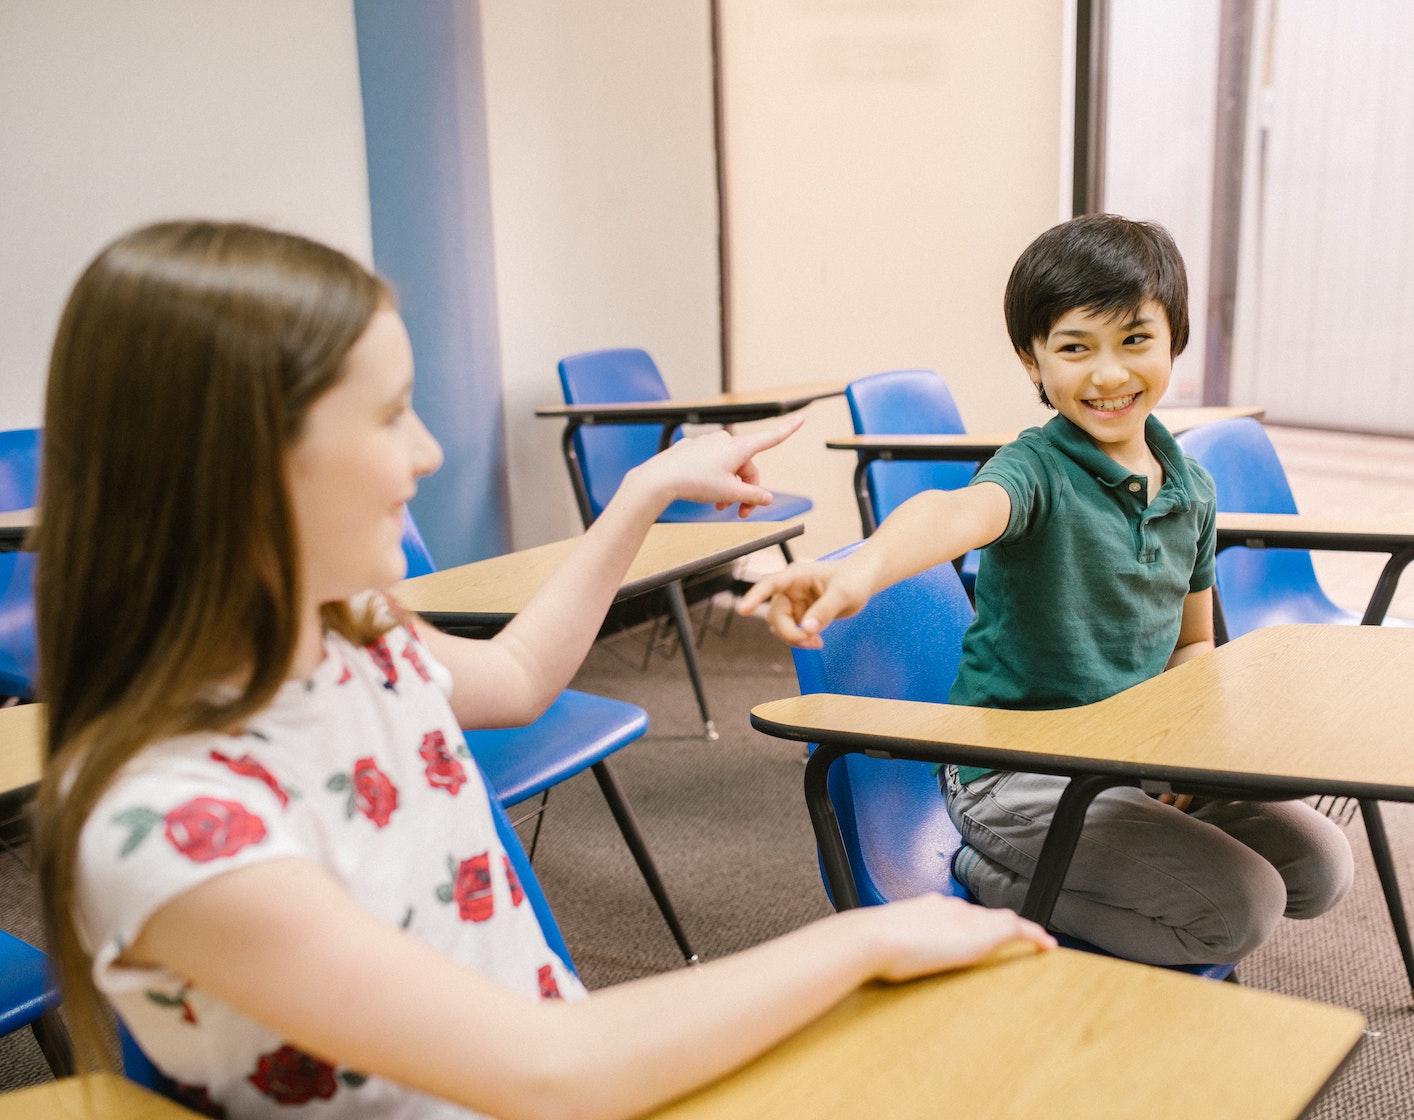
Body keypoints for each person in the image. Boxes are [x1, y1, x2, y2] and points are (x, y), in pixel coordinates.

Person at [32, 220, 1053, 1120]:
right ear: (242, 464)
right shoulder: (172, 824)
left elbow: (518, 674)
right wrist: (868, 942)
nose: (430, 453)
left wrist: (646, 489)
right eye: (389, 416)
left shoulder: (350, 637)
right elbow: (548, 1073)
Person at [739, 213, 1353, 968]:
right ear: (1034, 362)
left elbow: (1194, 644)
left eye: (1134, 339)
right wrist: (858, 569)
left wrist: (1190, 759)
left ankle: (1115, 849)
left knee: (1321, 867)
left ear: (1174, 342)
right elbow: (955, 512)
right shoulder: (1035, 471)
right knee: (1241, 909)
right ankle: (995, 877)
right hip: (1015, 774)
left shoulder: (1191, 489)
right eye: (1074, 348)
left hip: (1128, 757)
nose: (1108, 374)